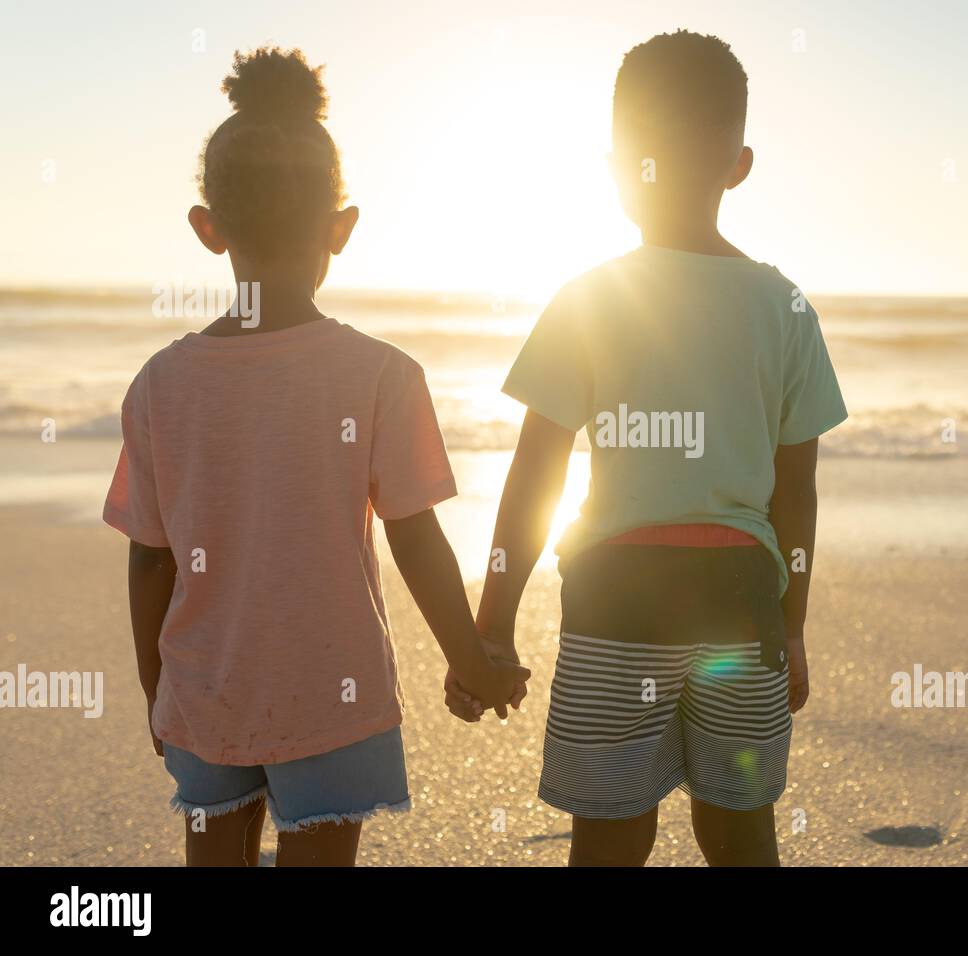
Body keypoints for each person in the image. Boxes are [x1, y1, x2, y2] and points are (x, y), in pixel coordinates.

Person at [104, 47, 527, 867]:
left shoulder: (160, 384)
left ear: (208, 227)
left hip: (205, 689)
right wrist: (471, 662)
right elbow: (416, 539)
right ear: (342, 227)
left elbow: (149, 562)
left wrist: (159, 692)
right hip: (333, 693)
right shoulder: (381, 376)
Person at [447, 30, 846, 866]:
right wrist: (794, 624)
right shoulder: (787, 307)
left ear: (621, 168)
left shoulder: (590, 299)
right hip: (743, 605)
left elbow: (536, 474)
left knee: (612, 831)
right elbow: (795, 492)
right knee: (740, 828)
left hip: (617, 604)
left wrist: (494, 619)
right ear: (738, 163)